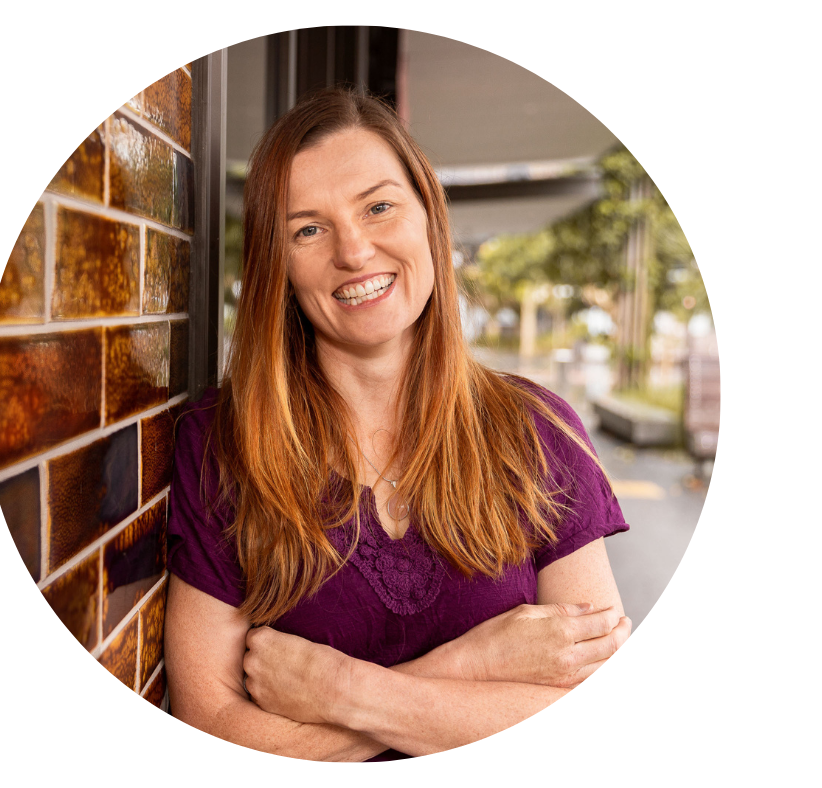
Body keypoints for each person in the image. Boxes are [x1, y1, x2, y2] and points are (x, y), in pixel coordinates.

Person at [164, 87, 631, 761]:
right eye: (308, 229)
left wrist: (341, 691)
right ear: (279, 266)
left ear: (428, 219)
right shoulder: (222, 443)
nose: (354, 252)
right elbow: (209, 729)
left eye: (379, 206)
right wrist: (473, 666)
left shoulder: (538, 433)